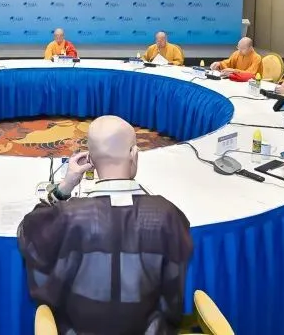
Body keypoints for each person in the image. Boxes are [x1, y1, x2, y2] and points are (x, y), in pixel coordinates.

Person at [18, 116, 193, 333]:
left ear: (90, 160)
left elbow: (27, 232)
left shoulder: (69, 215)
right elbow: (172, 293)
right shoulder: (166, 214)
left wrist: (64, 187)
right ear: (134, 153)